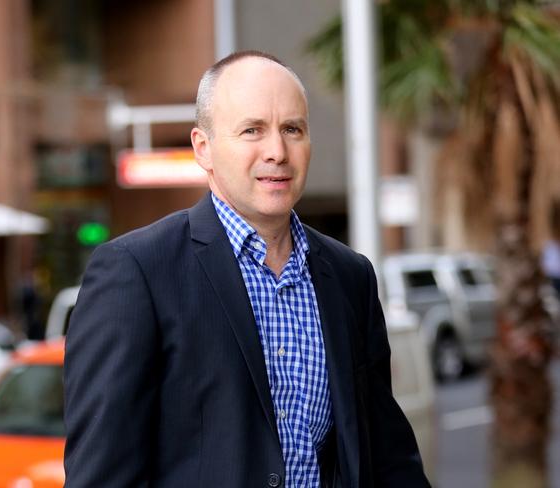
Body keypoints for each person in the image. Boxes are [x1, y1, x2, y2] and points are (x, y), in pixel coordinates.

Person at [63, 51, 430, 488]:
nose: (277, 151)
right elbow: (102, 475)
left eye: (292, 129)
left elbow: (387, 458)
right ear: (204, 148)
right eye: (252, 130)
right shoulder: (136, 272)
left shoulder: (350, 277)